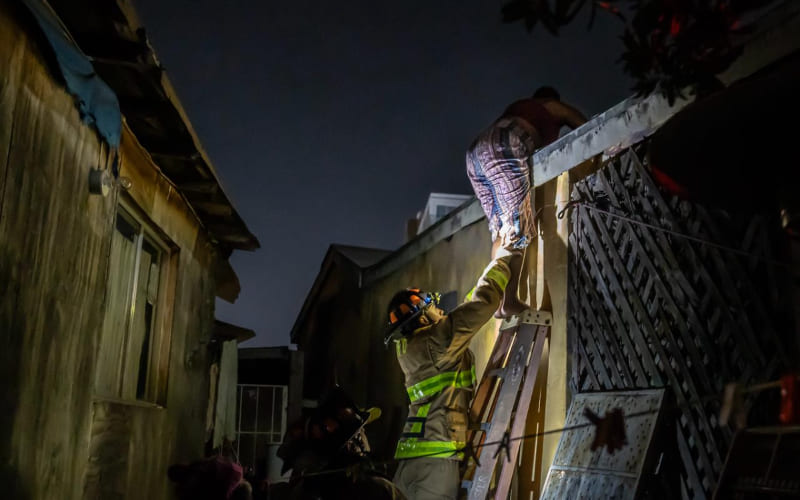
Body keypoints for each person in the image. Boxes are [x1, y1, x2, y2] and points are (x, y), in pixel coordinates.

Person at [384, 246, 516, 500]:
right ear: (422, 318)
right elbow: (480, 306)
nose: (440, 309)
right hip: (436, 460)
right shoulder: (437, 340)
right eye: (433, 307)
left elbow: (462, 314)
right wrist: (500, 264)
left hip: (412, 459)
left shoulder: (413, 348)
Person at [466, 86, 587, 317]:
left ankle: (500, 300)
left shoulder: (521, 109)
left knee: (501, 231)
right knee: (519, 229)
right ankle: (508, 301)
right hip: (504, 145)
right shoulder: (550, 106)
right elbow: (583, 125)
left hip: (475, 153)